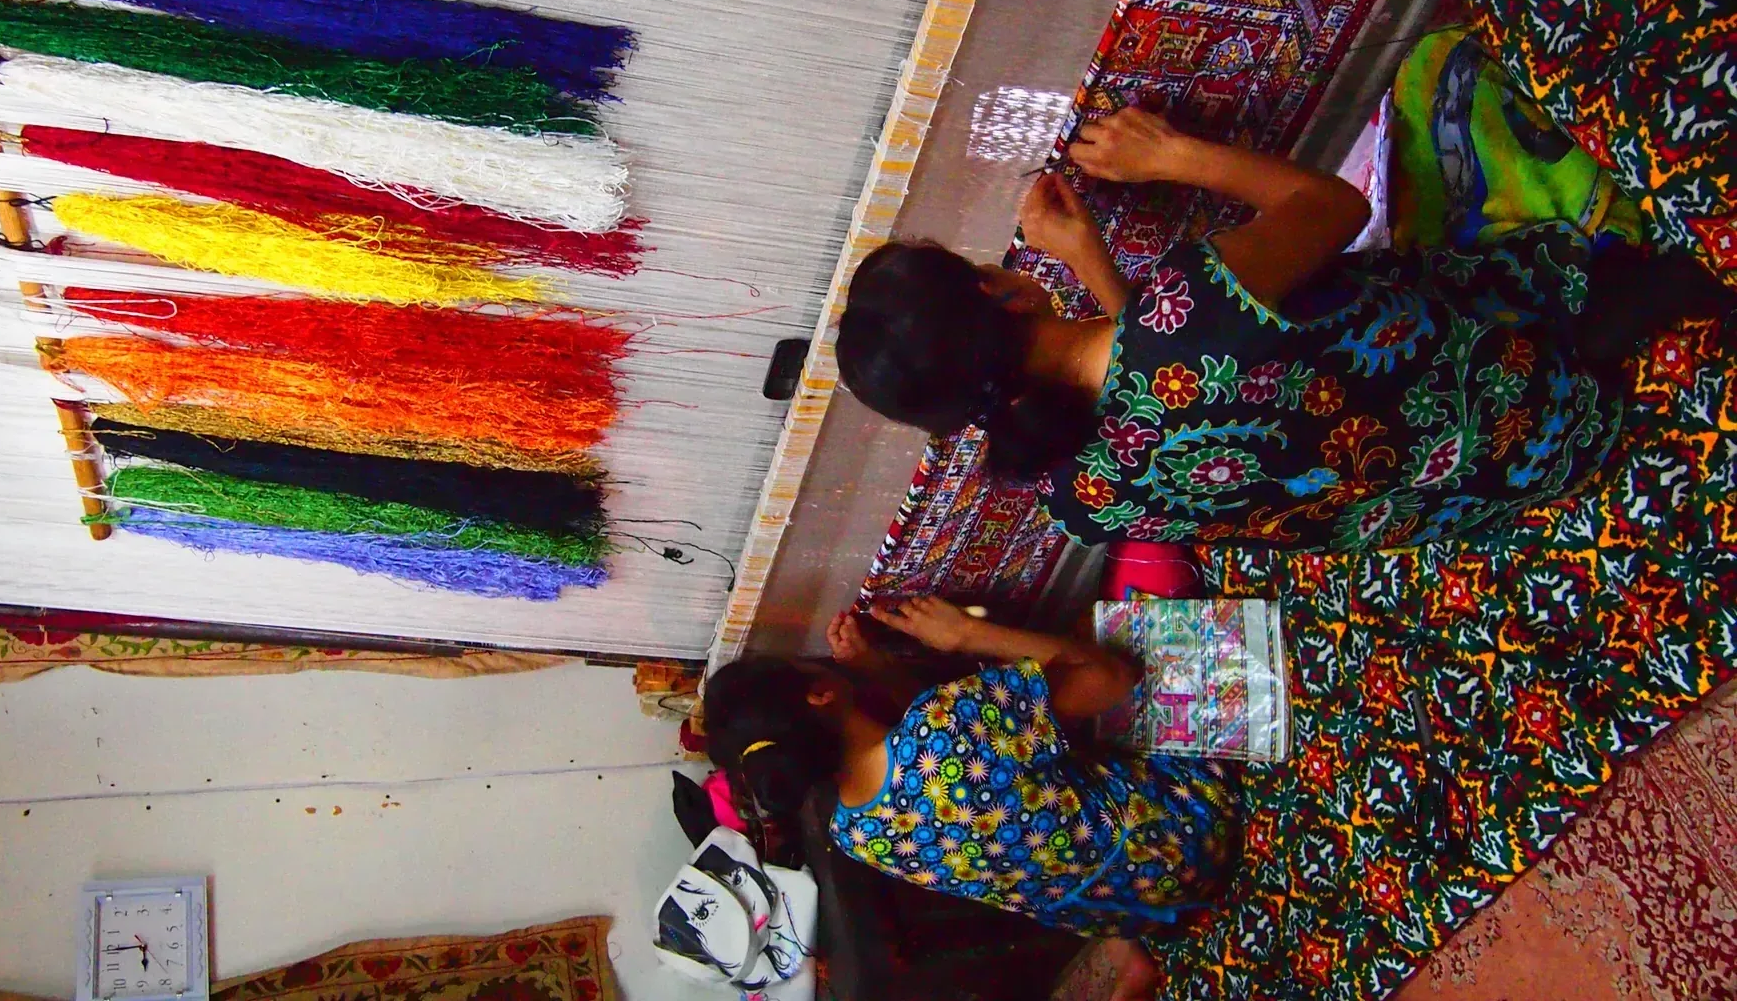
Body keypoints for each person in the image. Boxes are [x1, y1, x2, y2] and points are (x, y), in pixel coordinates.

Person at [834, 106, 1733, 551]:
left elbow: (1158, 382)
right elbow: (1332, 206)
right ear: (1002, 293)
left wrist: (1087, 261)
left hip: (1495, 489)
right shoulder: (1198, 295)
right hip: (1531, 388)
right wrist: (1167, 155)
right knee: (1447, 93)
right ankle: (1646, 304)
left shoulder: (1074, 501)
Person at [704, 597, 1240, 1001]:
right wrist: (967, 634)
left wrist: (872, 667)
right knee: (1096, 646)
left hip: (1134, 909)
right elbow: (1112, 677)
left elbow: (945, 759)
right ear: (819, 692)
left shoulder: (854, 834)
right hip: (1193, 836)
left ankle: (1130, 953)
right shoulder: (948, 719)